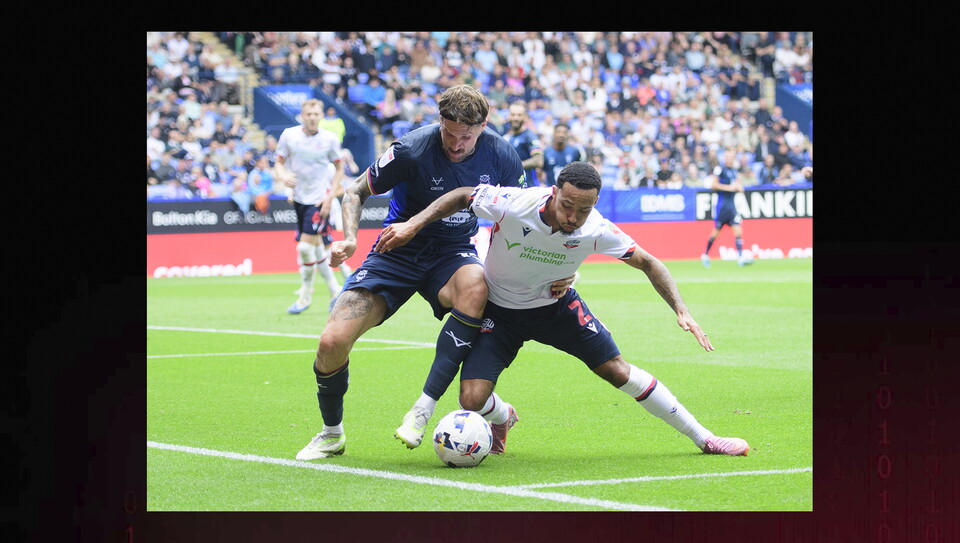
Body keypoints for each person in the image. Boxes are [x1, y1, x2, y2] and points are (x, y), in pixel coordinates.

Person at [374, 161, 750, 457]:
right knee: (471, 399)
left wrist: (680, 310)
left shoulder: (597, 229)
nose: (573, 217)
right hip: (499, 312)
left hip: (556, 308)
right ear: (554, 193)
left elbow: (650, 263)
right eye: (567, 205)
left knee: (617, 371)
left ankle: (706, 438)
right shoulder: (514, 203)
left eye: (583, 210)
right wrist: (412, 225)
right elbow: (460, 195)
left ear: (595, 205)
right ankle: (504, 417)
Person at [294, 84, 530, 461]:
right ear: (440, 122)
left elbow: (524, 216)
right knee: (331, 341)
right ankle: (331, 434)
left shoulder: (502, 155)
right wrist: (350, 239)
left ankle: (422, 409)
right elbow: (354, 191)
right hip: (396, 250)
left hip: (452, 253)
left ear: (483, 126)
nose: (455, 144)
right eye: (449, 134)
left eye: (465, 137)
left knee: (475, 286)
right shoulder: (411, 149)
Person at [274, 98, 346, 315]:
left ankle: (306, 295)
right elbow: (278, 163)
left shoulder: (329, 139)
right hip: (298, 199)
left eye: (316, 114)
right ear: (302, 116)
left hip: (319, 201)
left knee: (305, 248)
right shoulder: (289, 135)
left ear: (321, 116)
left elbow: (339, 169)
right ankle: (336, 291)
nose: (313, 118)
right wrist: (284, 176)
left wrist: (330, 197)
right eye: (309, 114)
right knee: (316, 249)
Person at [701, 149, 752, 268]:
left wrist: (739, 188)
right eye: (728, 156)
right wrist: (730, 188)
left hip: (732, 206)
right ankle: (705, 254)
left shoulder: (734, 171)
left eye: (732, 156)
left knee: (738, 230)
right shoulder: (720, 169)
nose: (730, 158)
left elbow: (739, 186)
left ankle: (741, 257)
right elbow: (713, 185)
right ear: (724, 158)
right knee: (716, 232)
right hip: (722, 206)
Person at [502, 102, 544, 187]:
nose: (515, 118)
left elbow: (538, 160)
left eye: (519, 115)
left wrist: (514, 166)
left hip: (528, 188)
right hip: (511, 188)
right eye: (513, 114)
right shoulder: (505, 138)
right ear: (508, 116)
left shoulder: (530, 136)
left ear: (525, 117)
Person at [541, 122, 585, 187]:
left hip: (569, 191)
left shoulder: (574, 151)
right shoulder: (546, 152)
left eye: (564, 132)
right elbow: (541, 172)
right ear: (553, 134)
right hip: (551, 190)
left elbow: (579, 172)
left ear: (568, 135)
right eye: (558, 132)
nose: (561, 135)